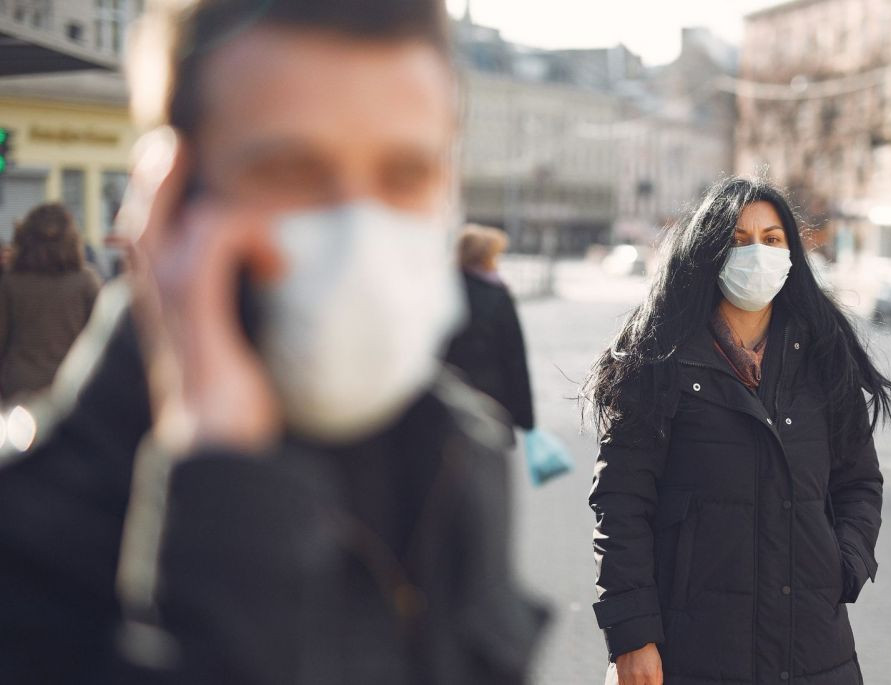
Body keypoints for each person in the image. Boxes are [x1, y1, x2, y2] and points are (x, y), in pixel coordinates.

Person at [0, 1, 544, 683]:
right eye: (293, 172)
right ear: (173, 198)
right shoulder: (25, 538)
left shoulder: (460, 452)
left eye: (406, 173)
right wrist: (222, 485)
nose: (358, 232)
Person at [586, 177, 891, 685]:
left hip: (814, 648)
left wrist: (844, 564)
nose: (758, 253)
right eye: (737, 239)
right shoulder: (655, 359)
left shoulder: (823, 356)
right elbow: (620, 506)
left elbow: (859, 480)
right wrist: (633, 635)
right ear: (706, 253)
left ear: (792, 252)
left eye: (772, 239)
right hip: (693, 646)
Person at [0, 203, 102, 404]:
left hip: (18, 389)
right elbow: (101, 340)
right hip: (71, 388)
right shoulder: (86, 282)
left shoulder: (10, 282)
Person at [445, 225, 534, 440]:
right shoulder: (496, 294)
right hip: (491, 401)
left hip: (447, 397)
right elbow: (515, 357)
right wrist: (526, 420)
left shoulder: (442, 289)